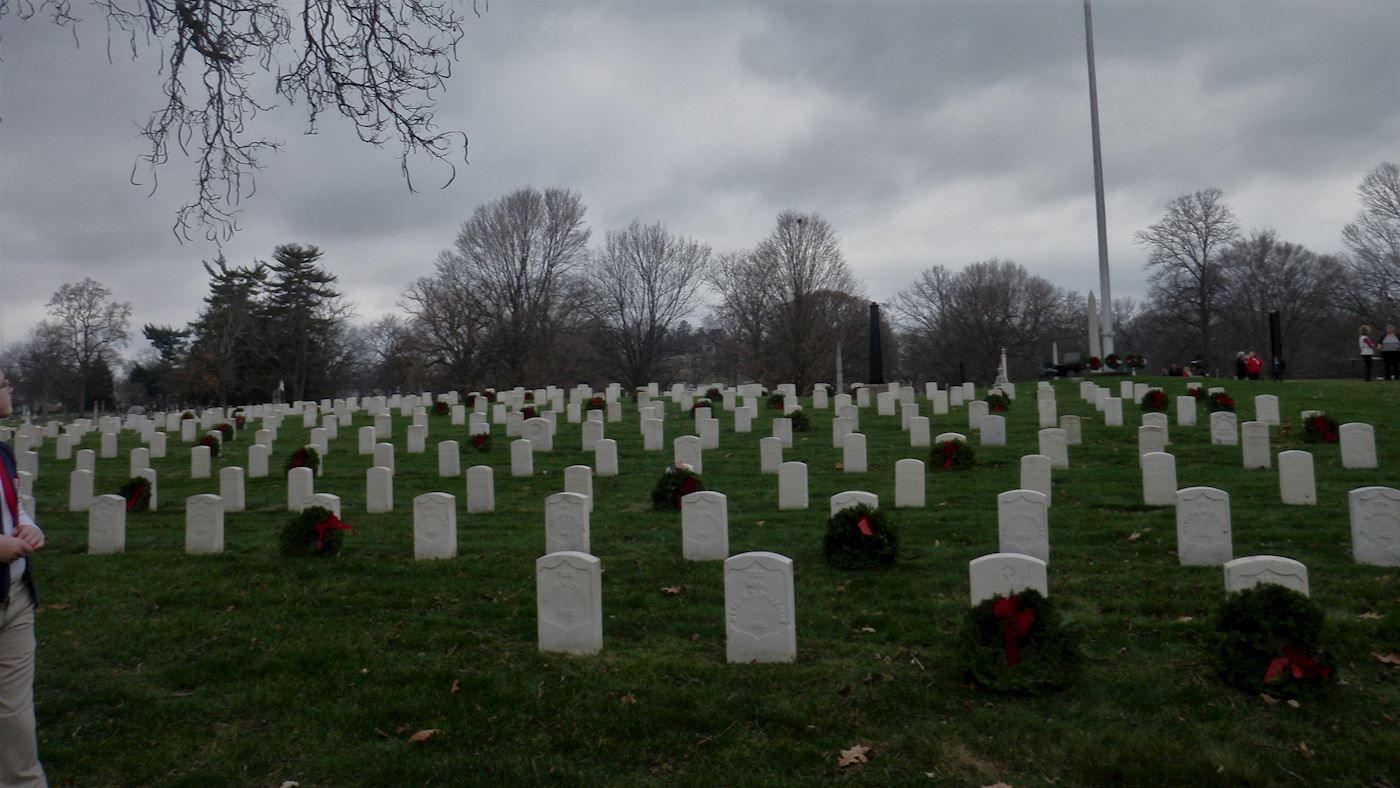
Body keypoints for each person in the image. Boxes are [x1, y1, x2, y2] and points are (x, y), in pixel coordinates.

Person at [0, 369, 47, 787]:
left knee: (15, 708)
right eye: (2, 384)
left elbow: (15, 509)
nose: (10, 388)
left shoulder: (3, 451)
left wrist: (30, 528)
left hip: (15, 595)